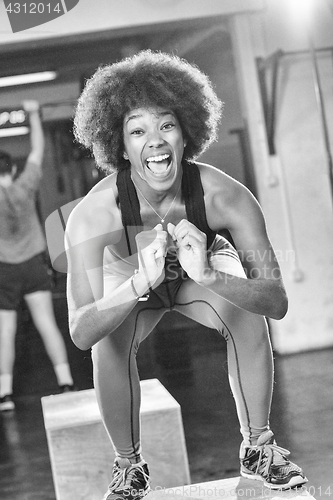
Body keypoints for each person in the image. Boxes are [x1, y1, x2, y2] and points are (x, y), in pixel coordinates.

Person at [66, 50, 307, 499]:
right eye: (137, 130)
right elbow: (80, 331)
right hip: (134, 275)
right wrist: (138, 282)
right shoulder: (93, 215)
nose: (154, 141)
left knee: (245, 311)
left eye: (167, 125)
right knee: (107, 343)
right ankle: (128, 466)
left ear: (185, 134)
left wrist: (212, 277)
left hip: (203, 269)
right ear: (119, 146)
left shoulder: (226, 196)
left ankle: (258, 446)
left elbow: (276, 302)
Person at [0, 100, 75, 412]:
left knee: (6, 331)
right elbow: (37, 150)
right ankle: (66, 382)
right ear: (13, 169)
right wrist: (33, 114)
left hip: (4, 270)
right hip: (33, 266)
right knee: (46, 322)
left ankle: (4, 395)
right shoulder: (26, 185)